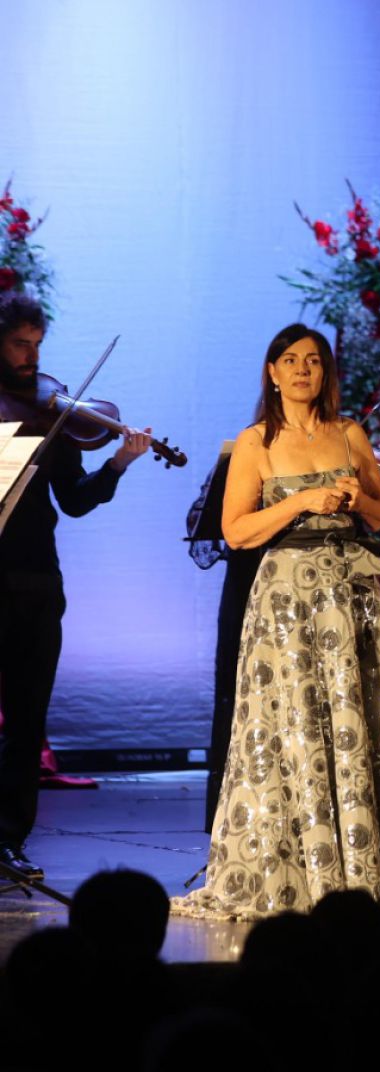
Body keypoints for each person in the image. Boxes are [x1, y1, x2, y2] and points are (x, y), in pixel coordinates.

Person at [174, 324, 380, 919]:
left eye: (314, 362)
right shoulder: (256, 442)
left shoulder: (349, 434)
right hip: (286, 600)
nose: (303, 370)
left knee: (358, 720)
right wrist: (301, 501)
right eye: (291, 360)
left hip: (349, 598)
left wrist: (356, 501)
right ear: (272, 372)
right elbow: (235, 531)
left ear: (325, 374)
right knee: (292, 725)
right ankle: (299, 875)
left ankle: (366, 874)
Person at [0, 292, 152, 878]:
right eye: (19, 344)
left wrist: (117, 465)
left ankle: (9, 841)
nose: (30, 357)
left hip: (37, 581)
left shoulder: (52, 414)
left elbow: (75, 501)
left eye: (37, 345)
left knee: (26, 718)